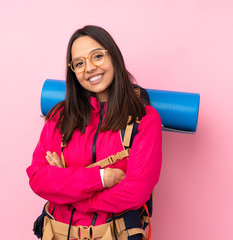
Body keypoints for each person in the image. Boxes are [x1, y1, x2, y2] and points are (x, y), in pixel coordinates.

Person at [26, 25, 162, 240]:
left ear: (114, 56)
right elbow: (38, 178)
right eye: (79, 63)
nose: (89, 68)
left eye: (97, 56)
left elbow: (136, 192)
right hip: (58, 233)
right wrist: (101, 178)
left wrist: (67, 189)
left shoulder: (144, 119)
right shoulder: (59, 116)